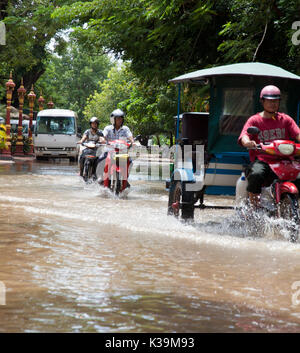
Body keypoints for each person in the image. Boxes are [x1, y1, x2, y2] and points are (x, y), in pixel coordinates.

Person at [238, 85, 300, 209]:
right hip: (264, 160)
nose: (273, 104)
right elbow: (244, 135)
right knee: (256, 174)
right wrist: (248, 142)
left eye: (276, 101)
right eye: (270, 101)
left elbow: (298, 134)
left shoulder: (286, 119)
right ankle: (254, 208)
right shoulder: (254, 120)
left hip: (286, 159)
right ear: (262, 101)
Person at [97, 109, 135, 185]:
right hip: (109, 151)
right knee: (100, 159)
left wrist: (133, 142)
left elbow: (130, 136)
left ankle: (126, 178)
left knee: (130, 162)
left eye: (121, 118)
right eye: (118, 118)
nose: (119, 120)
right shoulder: (108, 128)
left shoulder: (125, 129)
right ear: (113, 120)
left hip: (122, 152)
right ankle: (101, 176)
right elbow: (103, 136)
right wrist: (102, 139)